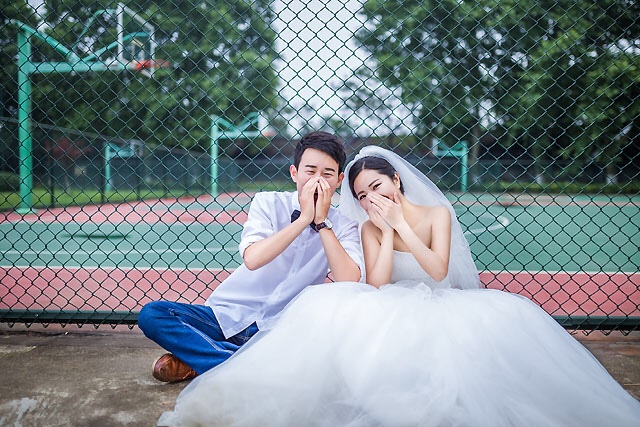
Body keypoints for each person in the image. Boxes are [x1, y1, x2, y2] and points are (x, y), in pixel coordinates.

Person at [158, 146, 640, 427]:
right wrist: (383, 230)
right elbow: (380, 282)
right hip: (385, 301)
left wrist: (401, 227)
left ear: (397, 181)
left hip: (443, 302)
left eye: (377, 188)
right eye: (362, 195)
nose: (371, 199)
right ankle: (232, 366)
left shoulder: (436, 215)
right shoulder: (363, 226)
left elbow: (435, 270)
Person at [138, 131, 364, 383]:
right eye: (310, 171)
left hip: (282, 329)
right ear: (294, 173)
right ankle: (246, 365)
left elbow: (349, 280)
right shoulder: (267, 203)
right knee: (152, 314)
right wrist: (303, 220)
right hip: (227, 316)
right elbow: (253, 259)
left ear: (339, 180)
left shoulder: (344, 225)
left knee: (323, 353)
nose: (318, 180)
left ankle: (203, 360)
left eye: (327, 174)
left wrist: (321, 223)